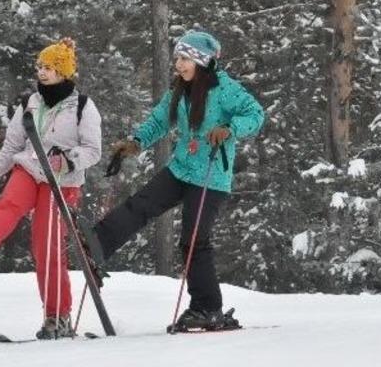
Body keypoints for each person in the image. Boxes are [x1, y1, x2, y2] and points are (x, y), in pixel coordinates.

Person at [93, 30, 265, 332]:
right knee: (141, 204)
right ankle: (96, 244)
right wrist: (134, 143)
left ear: (201, 60)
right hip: (182, 168)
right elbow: (160, 121)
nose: (179, 65)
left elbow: (255, 114)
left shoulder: (225, 88)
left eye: (185, 59)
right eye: (177, 59)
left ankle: (208, 309)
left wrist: (229, 128)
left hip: (211, 176)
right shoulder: (180, 89)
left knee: (194, 240)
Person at [0, 37, 102, 340]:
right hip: (30, 167)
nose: (42, 72)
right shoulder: (30, 102)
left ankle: (57, 315)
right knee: (10, 202)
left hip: (62, 181)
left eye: (49, 67)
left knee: (46, 246)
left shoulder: (83, 106)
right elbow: (13, 143)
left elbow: (93, 150)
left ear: (64, 72)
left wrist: (67, 162)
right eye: (40, 66)